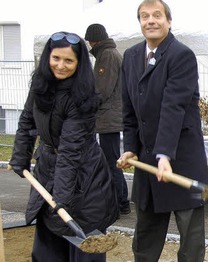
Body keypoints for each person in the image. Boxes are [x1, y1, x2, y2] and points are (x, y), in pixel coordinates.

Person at [9, 31, 118, 261]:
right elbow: (27, 121)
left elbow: (70, 153)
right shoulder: (40, 85)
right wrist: (21, 156)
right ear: (48, 57)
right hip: (47, 172)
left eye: (69, 60)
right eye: (56, 58)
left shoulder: (83, 97)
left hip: (85, 182)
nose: (60, 65)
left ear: (79, 64)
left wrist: (62, 201)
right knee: (47, 249)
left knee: (83, 250)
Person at [116, 0, 208, 261]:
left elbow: (174, 107)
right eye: (144, 16)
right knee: (145, 240)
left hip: (181, 162)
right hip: (148, 164)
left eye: (157, 15)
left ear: (169, 21)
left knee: (190, 245)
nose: (151, 21)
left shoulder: (181, 55)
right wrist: (130, 148)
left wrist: (164, 155)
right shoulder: (132, 56)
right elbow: (129, 111)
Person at [84, 23, 130, 215]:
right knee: (112, 161)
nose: (89, 46)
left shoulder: (107, 55)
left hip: (108, 118)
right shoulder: (110, 53)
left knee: (111, 162)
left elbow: (102, 89)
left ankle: (118, 204)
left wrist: (87, 104)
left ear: (95, 40)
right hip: (109, 117)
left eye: (90, 42)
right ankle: (120, 202)